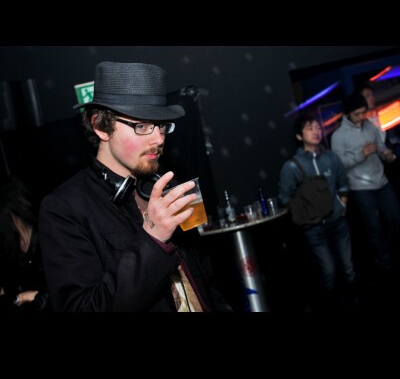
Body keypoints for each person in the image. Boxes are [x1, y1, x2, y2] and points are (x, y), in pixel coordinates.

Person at [39, 61, 232, 312]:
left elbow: (205, 280)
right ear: (101, 126)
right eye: (142, 126)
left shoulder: (166, 187)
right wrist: (153, 239)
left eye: (161, 125)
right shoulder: (64, 209)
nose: (159, 139)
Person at [278, 114, 357, 311]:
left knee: (348, 268)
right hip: (314, 229)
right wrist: (304, 212)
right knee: (329, 271)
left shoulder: (331, 157)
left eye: (318, 127)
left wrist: (342, 206)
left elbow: (343, 183)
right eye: (309, 128)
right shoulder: (292, 166)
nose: (316, 131)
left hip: (338, 222)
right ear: (299, 136)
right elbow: (284, 197)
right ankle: (334, 306)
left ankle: (353, 302)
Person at [331, 93, 400, 308]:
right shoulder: (339, 136)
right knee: (374, 226)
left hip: (382, 181)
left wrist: (386, 153)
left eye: (363, 113)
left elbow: (380, 146)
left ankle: (387, 254)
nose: (361, 117)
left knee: (395, 217)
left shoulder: (369, 125)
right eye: (357, 114)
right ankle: (385, 265)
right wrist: (360, 154)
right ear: (348, 114)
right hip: (361, 187)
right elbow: (338, 164)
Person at [0, 175, 51, 313]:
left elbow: (61, 287)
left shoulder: (47, 234)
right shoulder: (10, 248)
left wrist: (28, 297)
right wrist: (21, 298)